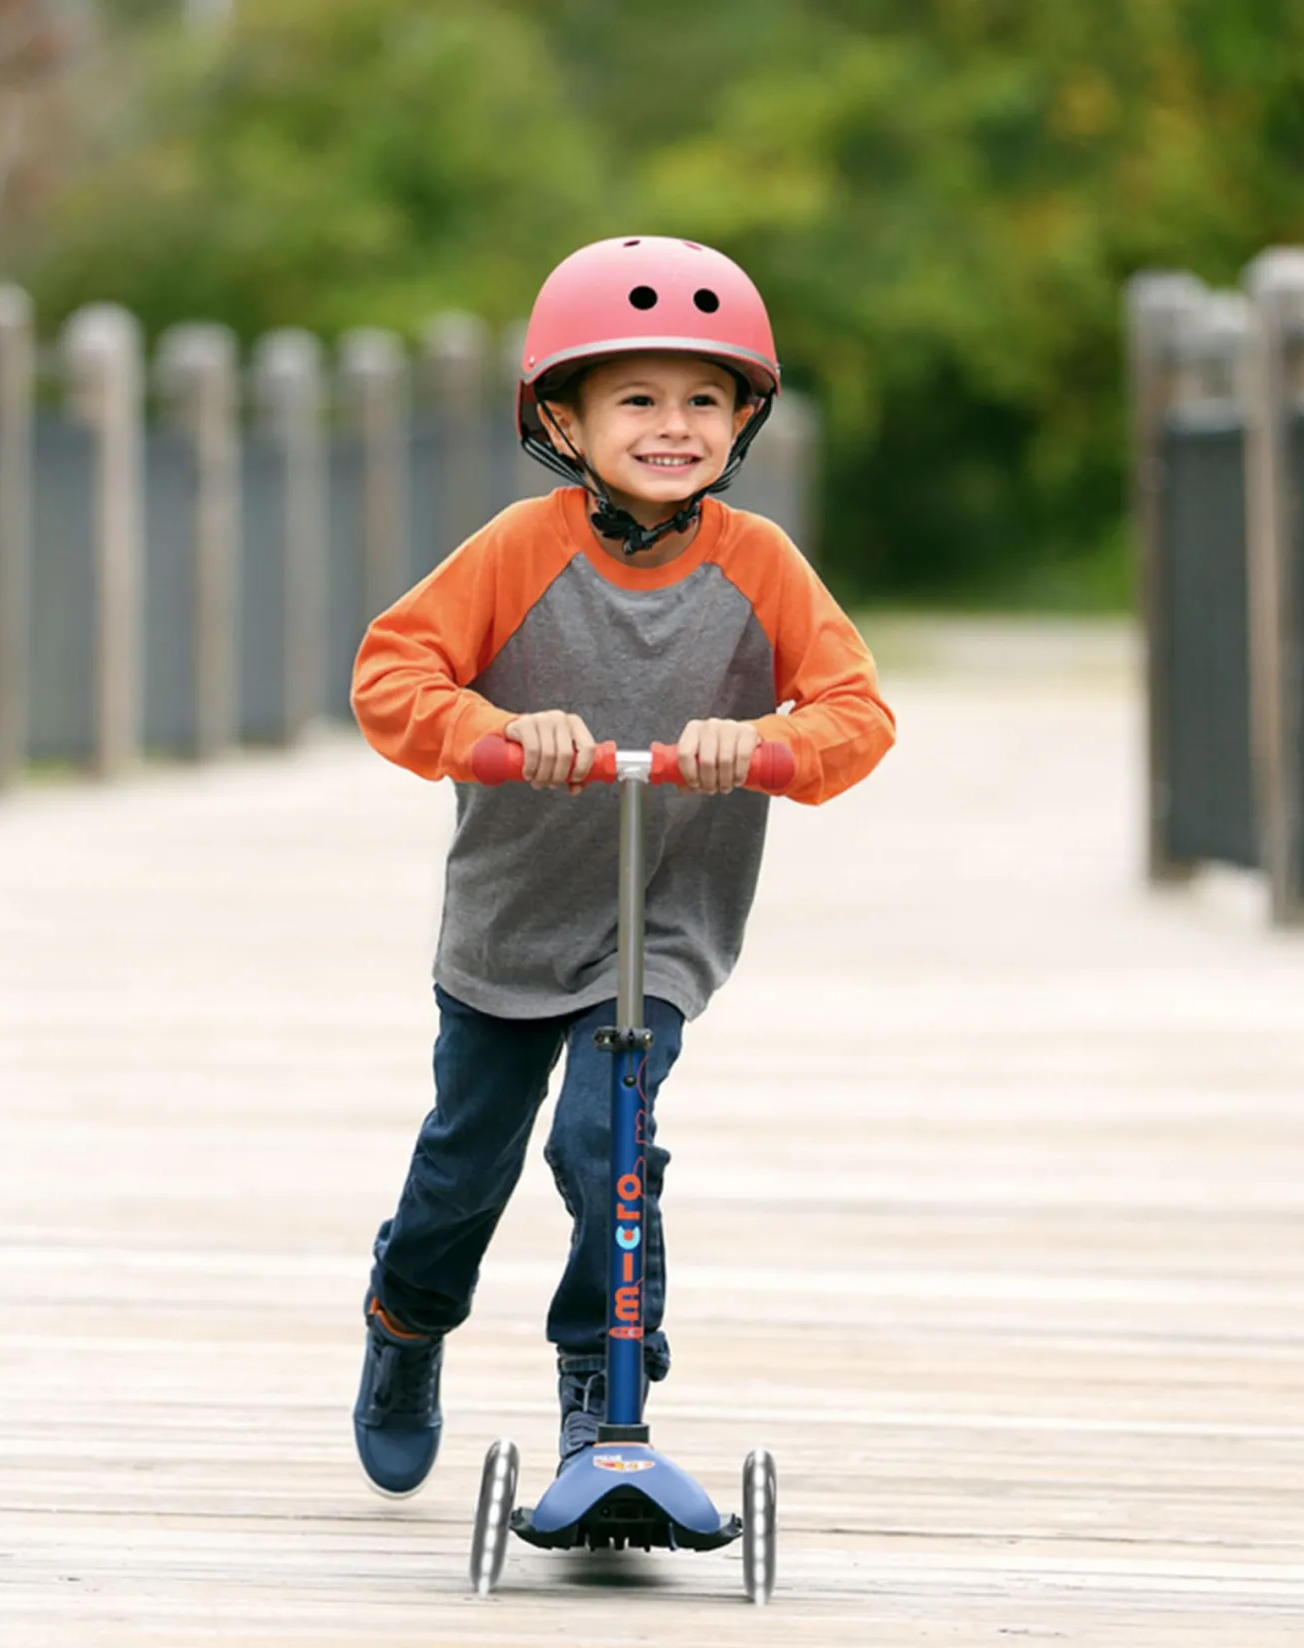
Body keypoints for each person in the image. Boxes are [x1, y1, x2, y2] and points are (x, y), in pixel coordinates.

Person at [348, 235, 895, 1497]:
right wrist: (493, 731)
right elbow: (392, 675)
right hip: (511, 922)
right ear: (563, 418)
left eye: (704, 398)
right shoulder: (516, 549)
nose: (672, 425)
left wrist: (766, 744)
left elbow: (856, 714)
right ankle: (405, 1319)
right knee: (463, 1169)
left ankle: (603, 1385)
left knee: (608, 1144)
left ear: (743, 419)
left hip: (658, 925)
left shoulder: (759, 564)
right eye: (637, 398)